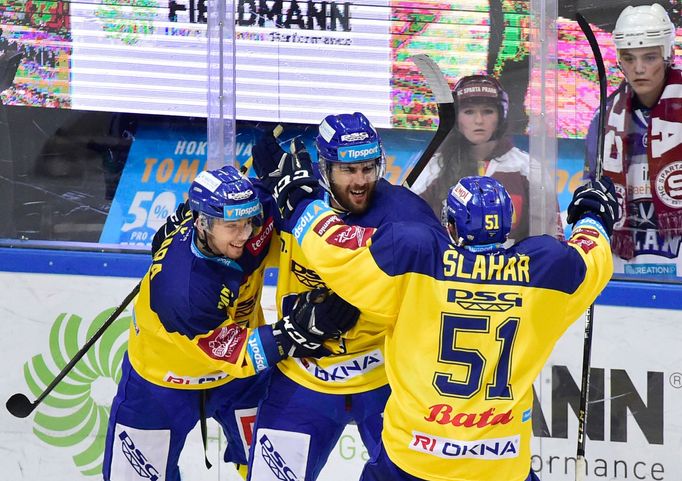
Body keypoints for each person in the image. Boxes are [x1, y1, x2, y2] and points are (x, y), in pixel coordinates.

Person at [262, 140, 617, 480]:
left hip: (415, 457)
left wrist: (302, 203)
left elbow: (332, 247)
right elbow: (593, 256)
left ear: (449, 226)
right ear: (508, 224)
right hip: (500, 462)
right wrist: (593, 217)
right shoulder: (546, 272)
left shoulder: (418, 258)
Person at [102, 166, 359, 481]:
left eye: (247, 223)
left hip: (241, 383)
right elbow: (238, 352)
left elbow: (300, 222)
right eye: (232, 227)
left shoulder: (254, 213)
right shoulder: (181, 289)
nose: (244, 234)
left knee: (273, 470)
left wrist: (295, 184)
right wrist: (295, 331)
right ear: (202, 223)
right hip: (164, 381)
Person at [246, 113, 443, 481]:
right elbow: (236, 246)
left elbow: (438, 291)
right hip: (305, 377)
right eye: (348, 170)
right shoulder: (290, 199)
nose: (360, 181)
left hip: (385, 382)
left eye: (368, 168)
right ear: (324, 168)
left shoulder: (406, 215)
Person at [585, 3, 682, 279]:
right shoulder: (605, 118)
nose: (639, 68)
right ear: (619, 60)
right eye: (629, 58)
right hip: (624, 264)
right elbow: (591, 190)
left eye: (649, 57)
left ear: (668, 54)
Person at [412, 74, 563, 244]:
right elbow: (410, 233)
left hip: (513, 270)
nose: (479, 120)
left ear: (501, 115)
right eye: (469, 112)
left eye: (488, 111)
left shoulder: (529, 170)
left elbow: (551, 245)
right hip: (448, 270)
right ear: (455, 118)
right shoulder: (433, 169)